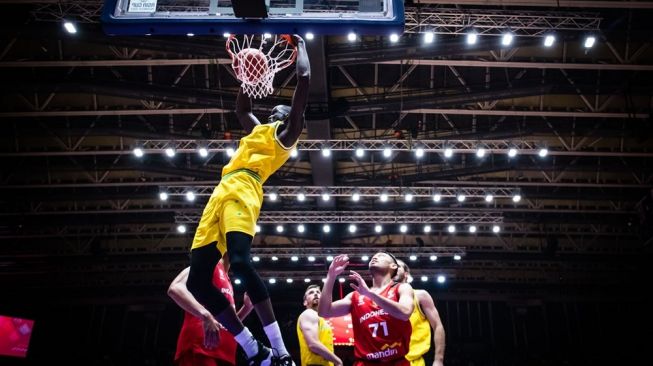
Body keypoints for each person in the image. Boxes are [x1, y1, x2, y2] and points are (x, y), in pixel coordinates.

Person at [186, 34, 310, 366]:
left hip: (245, 190)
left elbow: (305, 80)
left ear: (289, 117)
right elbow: (243, 107)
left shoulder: (285, 136)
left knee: (240, 262)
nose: (276, 107)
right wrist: (249, 77)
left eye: (281, 108)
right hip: (221, 190)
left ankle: (281, 352)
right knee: (197, 278)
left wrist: (302, 46)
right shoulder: (258, 130)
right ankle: (254, 349)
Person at [317, 252, 415, 366]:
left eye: (381, 256)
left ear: (393, 266)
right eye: (373, 257)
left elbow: (405, 313)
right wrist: (331, 275)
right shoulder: (356, 296)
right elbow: (324, 311)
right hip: (365, 362)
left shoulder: (402, 288)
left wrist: (370, 294)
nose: (375, 257)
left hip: (396, 362)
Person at [168, 255, 254, 366]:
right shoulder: (208, 263)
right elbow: (175, 287)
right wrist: (205, 315)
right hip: (201, 351)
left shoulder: (227, 279)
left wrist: (247, 307)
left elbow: (225, 324)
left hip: (225, 355)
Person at [394, 260, 446, 366]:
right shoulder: (380, 299)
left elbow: (437, 326)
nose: (393, 268)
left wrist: (438, 359)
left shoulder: (420, 295)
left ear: (406, 274)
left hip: (412, 362)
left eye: (397, 266)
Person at [296, 285, 342, 366]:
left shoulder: (321, 319)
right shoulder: (308, 313)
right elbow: (313, 344)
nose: (316, 294)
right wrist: (338, 361)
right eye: (311, 293)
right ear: (305, 302)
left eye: (318, 292)